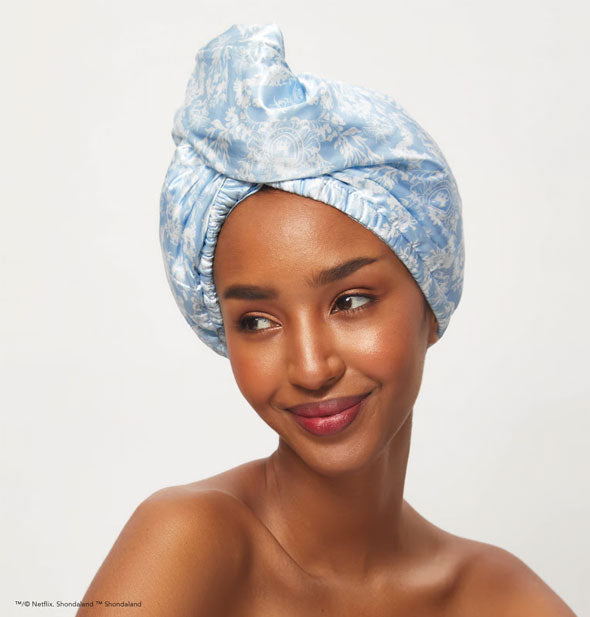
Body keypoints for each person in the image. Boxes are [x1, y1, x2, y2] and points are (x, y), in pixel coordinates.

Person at [77, 24, 577, 616]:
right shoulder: (190, 539)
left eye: (350, 301)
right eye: (258, 321)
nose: (311, 369)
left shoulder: (498, 598)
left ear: (431, 302)